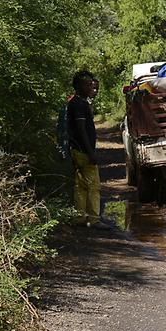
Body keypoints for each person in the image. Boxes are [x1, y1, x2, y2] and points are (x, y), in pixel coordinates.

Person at [68, 70, 101, 227]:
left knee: (80, 186)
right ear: (79, 86)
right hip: (82, 151)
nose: (91, 87)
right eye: (88, 85)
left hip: (76, 149)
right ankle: (94, 220)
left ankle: (79, 217)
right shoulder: (79, 105)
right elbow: (81, 130)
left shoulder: (75, 102)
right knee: (93, 186)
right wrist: (90, 152)